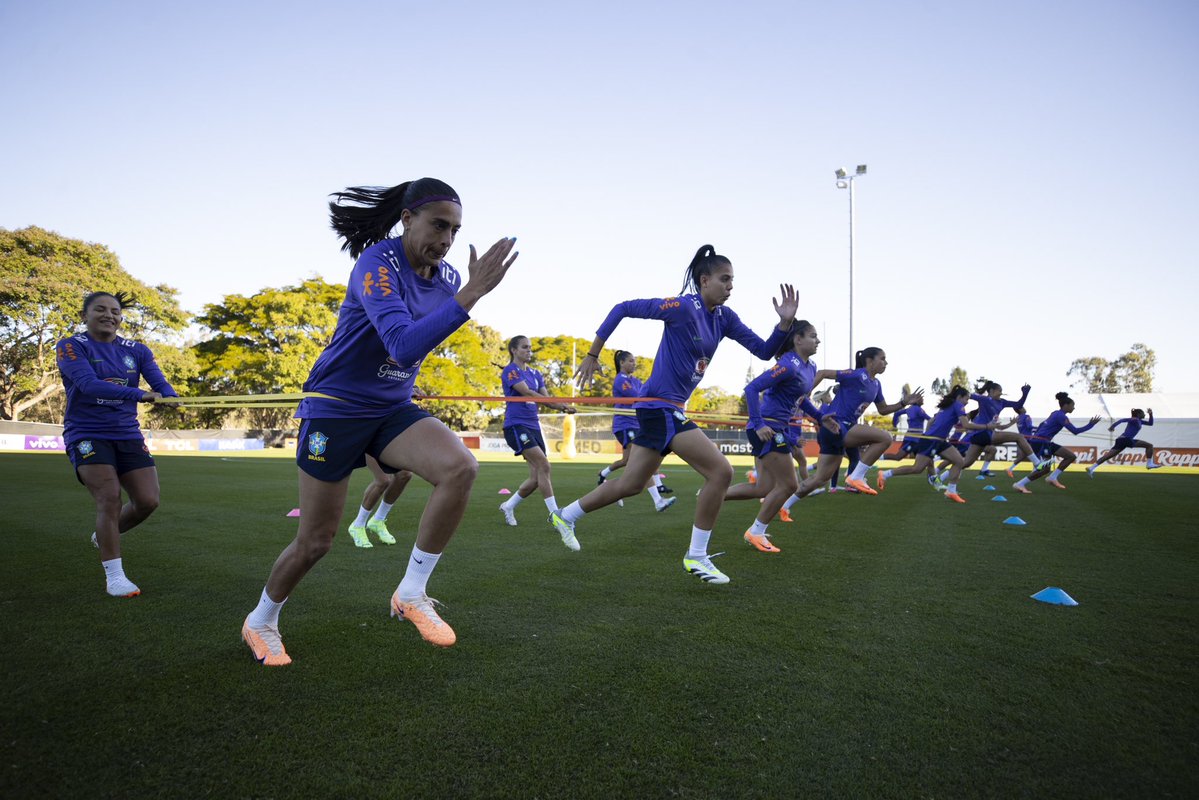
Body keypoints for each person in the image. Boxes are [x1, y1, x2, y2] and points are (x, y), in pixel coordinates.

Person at [241, 178, 518, 665]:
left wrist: (463, 292)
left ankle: (411, 593)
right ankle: (261, 620)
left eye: (455, 230)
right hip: (335, 408)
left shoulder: (448, 279)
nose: (447, 240)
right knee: (316, 541)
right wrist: (472, 294)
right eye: (438, 225)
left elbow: (416, 347)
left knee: (461, 467)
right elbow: (402, 345)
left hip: (390, 408)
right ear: (407, 219)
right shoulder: (377, 264)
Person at [560, 245, 798, 584]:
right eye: (724, 279)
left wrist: (785, 324)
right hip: (660, 406)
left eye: (733, 281)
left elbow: (764, 351)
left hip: (665, 409)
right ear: (704, 280)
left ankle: (565, 515)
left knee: (631, 484)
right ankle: (696, 557)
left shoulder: (724, 318)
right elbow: (623, 308)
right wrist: (592, 353)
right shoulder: (684, 307)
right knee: (721, 472)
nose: (730, 287)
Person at [56, 290, 178, 598]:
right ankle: (115, 576)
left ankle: (103, 535)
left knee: (148, 501)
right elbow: (87, 384)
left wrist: (170, 397)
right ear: (85, 315)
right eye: (101, 309)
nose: (110, 315)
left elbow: (159, 382)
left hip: (127, 434)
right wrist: (141, 395)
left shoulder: (137, 350)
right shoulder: (71, 346)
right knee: (109, 498)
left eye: (115, 311)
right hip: (86, 433)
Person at [723, 320, 836, 552]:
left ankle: (713, 494)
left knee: (762, 488)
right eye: (813, 336)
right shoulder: (789, 364)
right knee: (789, 484)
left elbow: (800, 398)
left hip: (778, 428)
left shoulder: (810, 367)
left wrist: (818, 416)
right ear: (798, 339)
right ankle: (756, 532)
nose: (818, 340)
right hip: (769, 428)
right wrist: (758, 423)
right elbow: (751, 388)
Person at [786, 348, 922, 506]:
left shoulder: (876, 384)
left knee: (820, 479)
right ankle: (856, 476)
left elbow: (883, 410)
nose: (886, 363)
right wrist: (805, 393)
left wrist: (904, 403)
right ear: (870, 361)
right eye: (882, 359)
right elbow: (822, 373)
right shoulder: (857, 375)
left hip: (837, 430)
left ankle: (783, 506)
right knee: (885, 438)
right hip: (836, 425)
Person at [497, 336, 580, 542]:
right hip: (516, 425)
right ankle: (556, 516)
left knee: (536, 478)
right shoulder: (511, 371)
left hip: (533, 426)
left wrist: (563, 406)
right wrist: (559, 405)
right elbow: (526, 393)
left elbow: (546, 399)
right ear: (514, 350)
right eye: (525, 348)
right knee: (544, 465)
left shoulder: (536, 373)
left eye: (530, 348)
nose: (529, 351)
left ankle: (509, 506)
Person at [876, 386, 1002, 503]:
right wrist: (987, 426)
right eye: (966, 399)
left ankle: (950, 491)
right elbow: (966, 425)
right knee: (917, 469)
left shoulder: (949, 405)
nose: (967, 402)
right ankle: (885, 474)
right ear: (959, 397)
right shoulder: (957, 405)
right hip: (932, 440)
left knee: (959, 461)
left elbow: (932, 420)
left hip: (939, 440)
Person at [594, 350, 676, 511]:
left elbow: (645, 392)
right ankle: (657, 498)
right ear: (622, 363)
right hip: (624, 425)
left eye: (634, 360)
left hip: (636, 424)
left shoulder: (636, 380)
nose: (634, 363)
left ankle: (606, 479)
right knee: (639, 462)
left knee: (632, 462)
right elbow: (638, 395)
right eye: (631, 361)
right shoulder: (621, 380)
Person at [1012, 392, 1101, 492]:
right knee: (1045, 469)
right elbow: (1075, 431)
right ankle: (1020, 484)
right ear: (1066, 405)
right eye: (1073, 405)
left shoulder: (1055, 413)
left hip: (1044, 442)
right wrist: (1090, 425)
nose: (1074, 408)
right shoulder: (1061, 416)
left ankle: (1053, 477)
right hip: (1041, 442)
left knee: (1070, 456)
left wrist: (1038, 434)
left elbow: (1042, 424)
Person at [959, 380, 1044, 474]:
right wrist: (957, 396)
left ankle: (942, 478)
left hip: (981, 436)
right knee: (1019, 437)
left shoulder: (1002, 402)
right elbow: (968, 395)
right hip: (983, 433)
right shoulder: (984, 399)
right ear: (991, 391)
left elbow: (1018, 405)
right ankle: (1037, 463)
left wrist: (1025, 393)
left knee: (967, 463)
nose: (1001, 393)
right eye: (999, 390)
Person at [346, 455, 412, 547]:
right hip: (367, 442)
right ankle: (358, 525)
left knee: (404, 475)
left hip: (385, 443)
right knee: (383, 480)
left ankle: (378, 520)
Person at [1089, 408, 1164, 474]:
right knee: (1149, 446)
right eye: (1143, 413)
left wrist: (1150, 414)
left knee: (1108, 456)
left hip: (1121, 440)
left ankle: (1091, 468)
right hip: (1126, 439)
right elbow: (1122, 420)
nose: (1144, 414)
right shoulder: (1134, 419)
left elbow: (1150, 423)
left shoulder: (1140, 421)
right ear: (1138, 414)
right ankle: (1149, 464)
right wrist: (1112, 426)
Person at [1004, 406, 1035, 478]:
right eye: (1023, 407)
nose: (1024, 408)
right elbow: (1029, 427)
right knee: (1035, 453)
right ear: (1020, 409)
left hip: (1021, 438)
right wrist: (1039, 428)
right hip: (1028, 439)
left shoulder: (1018, 418)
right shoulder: (1027, 416)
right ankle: (1035, 469)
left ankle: (1010, 468)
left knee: (1023, 456)